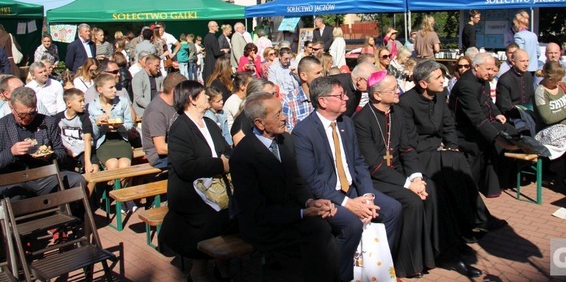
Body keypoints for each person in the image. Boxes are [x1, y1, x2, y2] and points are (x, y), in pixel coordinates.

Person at [292, 76, 401, 282]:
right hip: (327, 195)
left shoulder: (346, 123)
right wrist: (349, 204)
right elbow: (312, 180)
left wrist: (367, 196)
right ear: (323, 101)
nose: (346, 99)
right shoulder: (303, 132)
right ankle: (342, 275)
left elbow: (358, 162)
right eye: (340, 95)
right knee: (351, 224)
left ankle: (378, 269)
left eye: (345, 94)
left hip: (351, 188)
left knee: (392, 209)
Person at [397, 60, 501, 276]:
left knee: (456, 161)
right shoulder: (406, 103)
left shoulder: (440, 96)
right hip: (420, 154)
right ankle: (476, 218)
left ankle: (467, 225)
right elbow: (410, 140)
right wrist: (440, 149)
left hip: (439, 151)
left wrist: (452, 146)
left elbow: (448, 125)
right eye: (438, 78)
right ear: (424, 83)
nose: (443, 80)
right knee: (455, 164)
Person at [230, 92, 339, 282]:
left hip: (290, 215)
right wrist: (303, 213)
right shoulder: (243, 156)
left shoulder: (285, 141)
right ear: (260, 123)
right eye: (278, 114)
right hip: (264, 225)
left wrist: (311, 201)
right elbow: (256, 211)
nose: (285, 117)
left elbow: (296, 181)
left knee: (324, 227)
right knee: (314, 237)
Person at [353, 71, 439, 278]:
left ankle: (427, 256)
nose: (398, 91)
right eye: (393, 90)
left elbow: (407, 149)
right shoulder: (362, 120)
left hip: (398, 173)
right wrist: (409, 185)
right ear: (377, 96)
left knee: (431, 188)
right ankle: (404, 264)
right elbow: (373, 164)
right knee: (411, 201)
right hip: (375, 179)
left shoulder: (397, 112)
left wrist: (416, 177)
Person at [158, 81, 236, 282]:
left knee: (232, 214)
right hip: (191, 193)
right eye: (203, 95)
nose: (208, 97)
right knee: (207, 223)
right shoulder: (180, 128)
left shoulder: (209, 123)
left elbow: (225, 149)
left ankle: (223, 266)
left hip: (216, 189)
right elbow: (185, 167)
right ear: (191, 99)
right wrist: (221, 165)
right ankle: (198, 273)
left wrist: (228, 159)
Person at [449, 53, 518, 197]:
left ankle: (499, 182)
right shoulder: (466, 85)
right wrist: (496, 137)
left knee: (512, 133)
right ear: (476, 67)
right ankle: (473, 189)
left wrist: (497, 113)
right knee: (494, 142)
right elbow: (476, 117)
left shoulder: (482, 79)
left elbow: (488, 102)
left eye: (493, 69)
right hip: (465, 130)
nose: (491, 73)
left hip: (483, 123)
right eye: (488, 69)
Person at [0, 87, 85, 199]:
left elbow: (62, 153)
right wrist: (11, 152)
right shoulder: (3, 126)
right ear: (12, 108)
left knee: (77, 181)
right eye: (22, 114)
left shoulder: (48, 122)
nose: (27, 118)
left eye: (32, 113)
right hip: (15, 177)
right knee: (15, 197)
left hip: (44, 175)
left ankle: (67, 215)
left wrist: (51, 156)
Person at [533, 60, 566, 196]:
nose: (559, 82)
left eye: (560, 79)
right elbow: (548, 118)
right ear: (548, 78)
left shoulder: (563, 85)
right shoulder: (541, 92)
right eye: (556, 80)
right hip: (549, 130)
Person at [53, 88, 99, 194]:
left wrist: (87, 162)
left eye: (84, 101)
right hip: (67, 153)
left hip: (84, 151)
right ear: (69, 103)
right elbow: (55, 138)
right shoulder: (58, 118)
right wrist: (67, 150)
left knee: (94, 171)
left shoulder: (84, 118)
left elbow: (87, 140)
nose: (83, 104)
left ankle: (85, 201)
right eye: (80, 101)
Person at [141, 72, 186, 170]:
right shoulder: (156, 111)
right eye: (184, 90)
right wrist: (188, 148)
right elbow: (161, 148)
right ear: (175, 91)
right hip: (159, 158)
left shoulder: (175, 103)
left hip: (175, 149)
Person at [282, 56, 324, 132]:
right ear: (303, 76)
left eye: (321, 72)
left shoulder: (326, 95)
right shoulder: (290, 101)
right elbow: (289, 131)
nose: (322, 75)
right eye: (318, 73)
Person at [495, 49, 534, 129]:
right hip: (511, 118)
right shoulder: (504, 79)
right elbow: (504, 106)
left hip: (529, 114)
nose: (526, 64)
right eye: (522, 61)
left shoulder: (528, 75)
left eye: (527, 61)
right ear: (513, 62)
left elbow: (531, 97)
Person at [131, 54, 163, 119]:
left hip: (158, 111)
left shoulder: (159, 75)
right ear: (149, 65)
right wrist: (153, 106)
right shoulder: (138, 77)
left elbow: (162, 90)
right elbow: (138, 98)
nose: (158, 68)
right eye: (156, 66)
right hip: (143, 112)